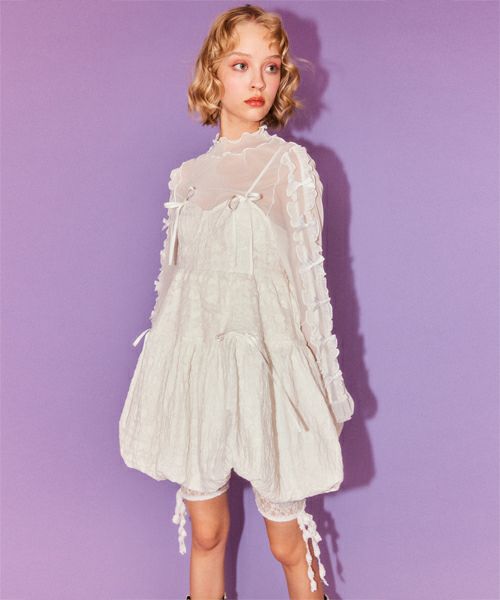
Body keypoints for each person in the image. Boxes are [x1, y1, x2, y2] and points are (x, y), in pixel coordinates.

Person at [118, 4, 354, 599]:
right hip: (198, 369)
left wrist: (327, 388)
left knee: (285, 542)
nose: (258, 81)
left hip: (268, 370)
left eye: (271, 67)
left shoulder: (289, 166)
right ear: (214, 74)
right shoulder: (187, 178)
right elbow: (173, 287)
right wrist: (160, 381)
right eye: (241, 65)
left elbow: (312, 285)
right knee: (207, 533)